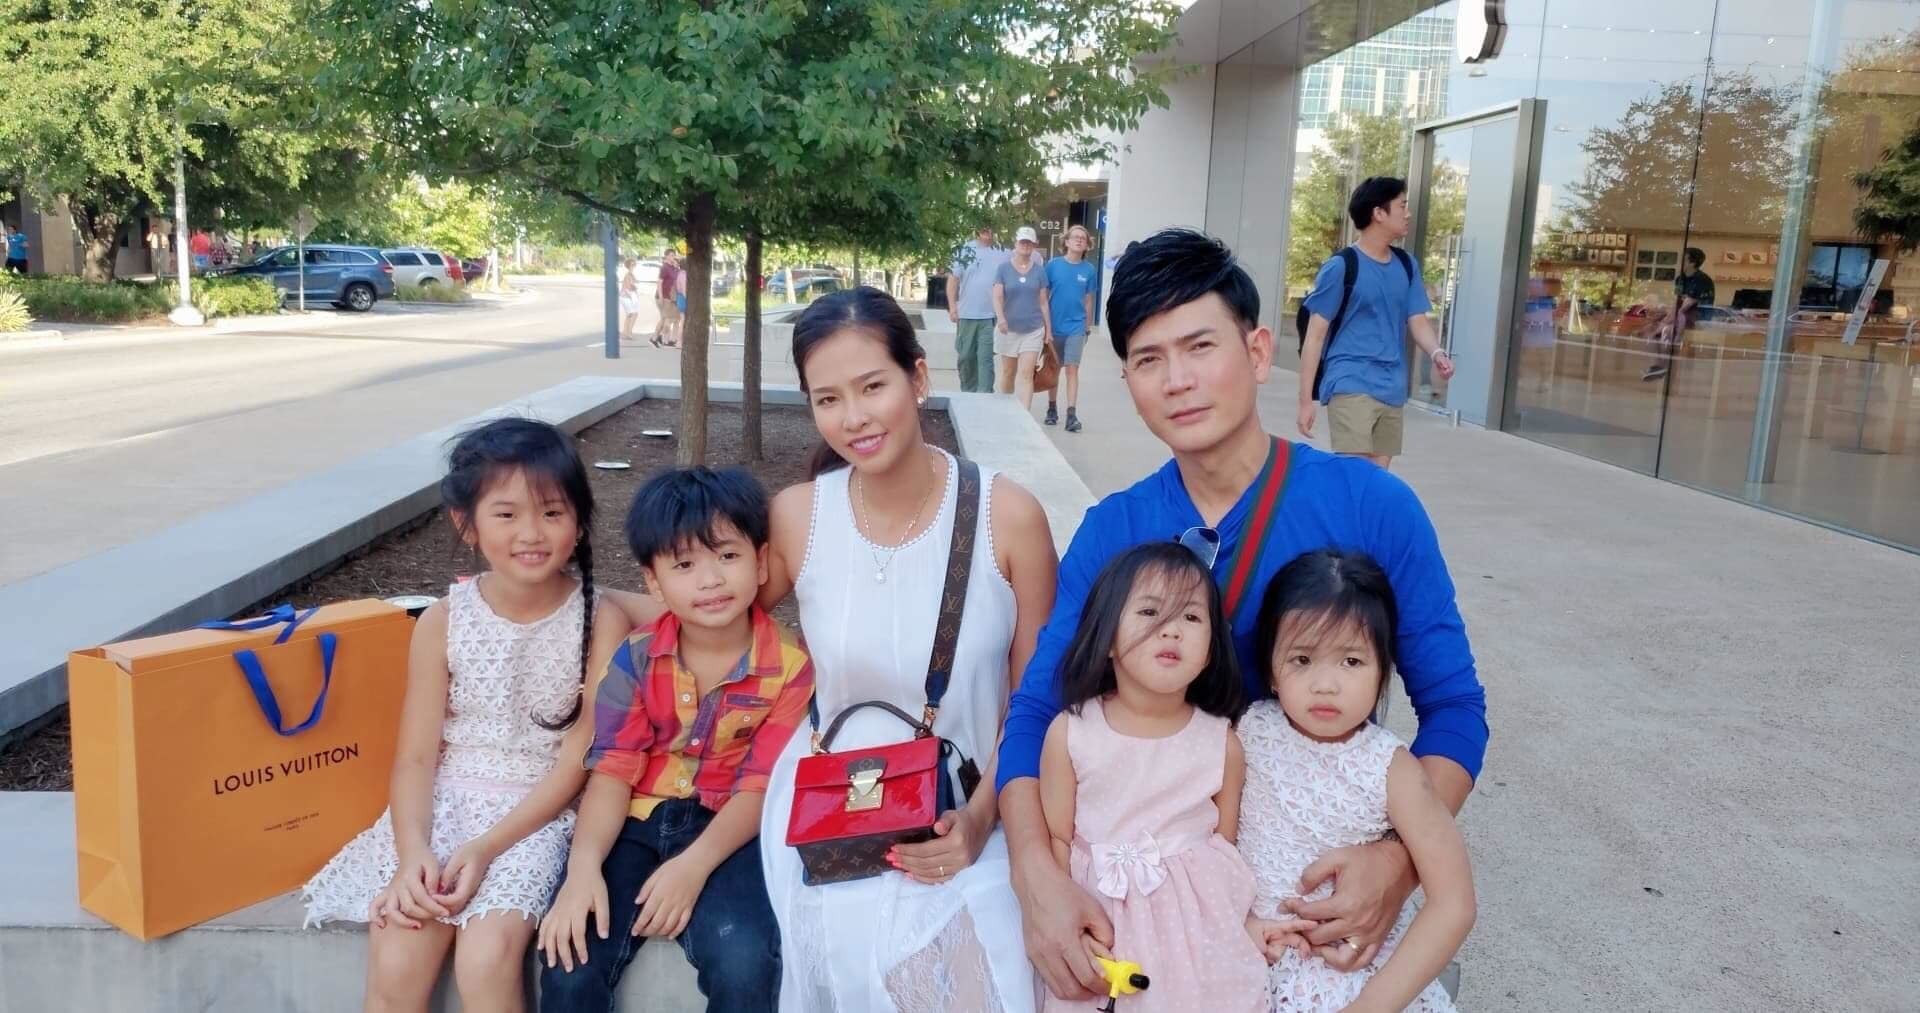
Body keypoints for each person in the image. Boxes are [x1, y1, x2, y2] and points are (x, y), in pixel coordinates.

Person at [996, 228, 1487, 1003]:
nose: (1178, 381)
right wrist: (1035, 875)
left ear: (1258, 352)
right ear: (1128, 381)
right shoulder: (1115, 530)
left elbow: (1455, 709)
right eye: (1149, 360)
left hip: (1309, 905)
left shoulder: (1371, 506)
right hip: (1162, 908)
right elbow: (1035, 712)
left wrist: (1398, 859)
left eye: (1200, 346)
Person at [756, 287, 1057, 1011]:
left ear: (918, 377)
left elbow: (1038, 700)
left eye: (872, 387)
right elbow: (709, 616)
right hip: (830, 810)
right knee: (848, 958)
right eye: (828, 399)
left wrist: (982, 818)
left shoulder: (1007, 516)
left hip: (968, 806)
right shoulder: (798, 516)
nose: (854, 418)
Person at [302, 417, 627, 1013]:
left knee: (487, 958)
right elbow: (415, 758)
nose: (531, 533)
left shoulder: (601, 619)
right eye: (506, 514)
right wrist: (413, 854)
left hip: (536, 817)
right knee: (397, 960)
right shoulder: (443, 620)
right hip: (441, 810)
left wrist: (486, 847)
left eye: (552, 512)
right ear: (466, 524)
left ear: (579, 521)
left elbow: (576, 761)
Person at [538, 467, 813, 1013]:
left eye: (727, 556)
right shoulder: (636, 658)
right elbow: (613, 771)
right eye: (684, 565)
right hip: (633, 822)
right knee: (569, 959)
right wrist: (583, 867)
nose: (709, 580)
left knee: (747, 961)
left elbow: (760, 787)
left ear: (760, 563)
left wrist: (693, 865)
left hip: (732, 828)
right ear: (653, 582)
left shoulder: (791, 667)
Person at [1036, 542, 1270, 1012]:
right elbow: (1058, 840)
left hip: (1196, 936)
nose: (1172, 630)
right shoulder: (1071, 732)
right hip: (1099, 920)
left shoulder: (1221, 742)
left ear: (1211, 649)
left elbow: (1225, 849)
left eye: (1192, 617)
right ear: (1107, 638)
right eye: (1149, 612)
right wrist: (1067, 923)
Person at [1242, 549, 1475, 1010]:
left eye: (1351, 661)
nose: (1326, 684)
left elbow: (1454, 904)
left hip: (1348, 984)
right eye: (1302, 659)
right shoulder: (1247, 733)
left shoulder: (1392, 770)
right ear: (1270, 670)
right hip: (1245, 961)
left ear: (1383, 671)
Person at [1297, 177, 1454, 470]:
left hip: (1392, 385)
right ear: (1378, 213)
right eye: (1402, 206)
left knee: (1378, 481)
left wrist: (1436, 352)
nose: (1408, 214)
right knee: (1356, 475)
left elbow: (1417, 320)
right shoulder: (1341, 266)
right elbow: (1315, 336)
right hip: (1350, 380)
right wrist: (1306, 400)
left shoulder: (1406, 265)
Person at [1043, 225, 1099, 433]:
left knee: (1072, 369)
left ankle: (1071, 414)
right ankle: (1052, 408)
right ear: (1066, 242)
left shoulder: (1089, 270)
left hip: (1076, 327)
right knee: (1054, 368)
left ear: (1087, 245)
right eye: (1075, 237)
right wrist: (1045, 327)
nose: (1079, 240)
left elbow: (1089, 300)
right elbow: (1043, 297)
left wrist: (1086, 327)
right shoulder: (1053, 266)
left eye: (1083, 238)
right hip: (1054, 326)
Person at [993, 226, 1051, 410]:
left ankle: (1024, 415)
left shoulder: (1040, 271)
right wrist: (1001, 318)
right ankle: (1006, 410)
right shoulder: (1003, 269)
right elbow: (997, 296)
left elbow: (1043, 302)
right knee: (1008, 372)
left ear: (1034, 245)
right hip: (1008, 329)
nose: (1025, 245)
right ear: (1016, 243)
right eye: (1022, 242)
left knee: (1026, 374)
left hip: (1033, 329)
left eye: (1029, 243)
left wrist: (1048, 330)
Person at [947, 226, 1010, 393]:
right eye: (982, 226)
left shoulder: (1004, 252)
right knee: (966, 357)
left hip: (990, 316)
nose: (986, 230)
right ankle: (968, 393)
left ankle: (985, 395)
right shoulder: (963, 250)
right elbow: (953, 280)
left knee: (985, 359)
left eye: (990, 226)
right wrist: (952, 307)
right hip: (966, 314)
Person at [1642, 247, 1714, 382]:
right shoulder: (1680, 279)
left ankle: (1664, 366)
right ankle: (1660, 365)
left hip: (1697, 315)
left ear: (1692, 263)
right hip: (1683, 313)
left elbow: (1686, 305)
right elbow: (1677, 302)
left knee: (1667, 329)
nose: (1680, 261)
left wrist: (1667, 320)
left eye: (1684, 259)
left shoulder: (1702, 280)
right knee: (1653, 328)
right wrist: (1664, 317)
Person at [657, 248, 683, 347]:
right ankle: (663, 338)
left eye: (674, 256)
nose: (674, 259)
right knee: (668, 319)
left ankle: (673, 339)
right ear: (667, 256)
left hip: (675, 298)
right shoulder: (665, 268)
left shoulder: (676, 270)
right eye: (672, 256)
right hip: (668, 298)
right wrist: (661, 296)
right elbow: (660, 282)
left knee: (676, 319)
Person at [619, 257, 648, 346]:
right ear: (628, 266)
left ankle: (626, 332)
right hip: (626, 296)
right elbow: (628, 286)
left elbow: (634, 284)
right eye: (632, 264)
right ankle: (628, 333)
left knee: (632, 314)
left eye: (634, 264)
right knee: (631, 314)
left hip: (630, 296)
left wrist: (635, 287)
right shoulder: (628, 275)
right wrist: (634, 287)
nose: (633, 266)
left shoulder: (632, 274)